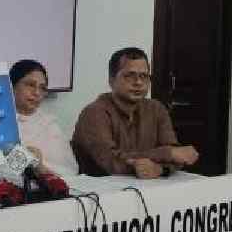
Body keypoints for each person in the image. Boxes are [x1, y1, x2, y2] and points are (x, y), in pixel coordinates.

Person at [71, 47, 199, 178]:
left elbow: (178, 156)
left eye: (144, 76)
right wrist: (166, 154)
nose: (138, 82)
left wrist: (160, 169)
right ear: (111, 80)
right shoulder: (94, 113)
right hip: (100, 187)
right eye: (129, 76)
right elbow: (111, 161)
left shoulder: (156, 108)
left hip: (151, 185)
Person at [0, 59, 79, 177]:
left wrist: (39, 166)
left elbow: (70, 172)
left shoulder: (50, 125)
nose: (37, 93)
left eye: (42, 88)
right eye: (30, 85)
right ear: (11, 86)